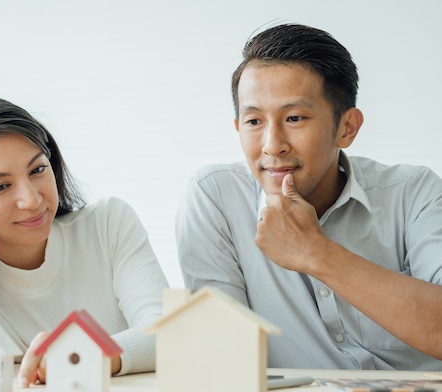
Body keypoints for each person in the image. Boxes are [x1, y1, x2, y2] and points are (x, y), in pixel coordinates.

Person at [176, 23, 442, 370]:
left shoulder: (413, 192)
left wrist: (317, 253)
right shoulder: (214, 197)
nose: (272, 145)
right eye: (254, 121)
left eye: (294, 117)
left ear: (347, 127)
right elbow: (224, 359)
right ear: (239, 127)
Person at [0, 96, 169, 385]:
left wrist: (85, 354)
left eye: (38, 170)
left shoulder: (107, 224)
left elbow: (168, 330)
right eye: (0, 186)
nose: (31, 200)